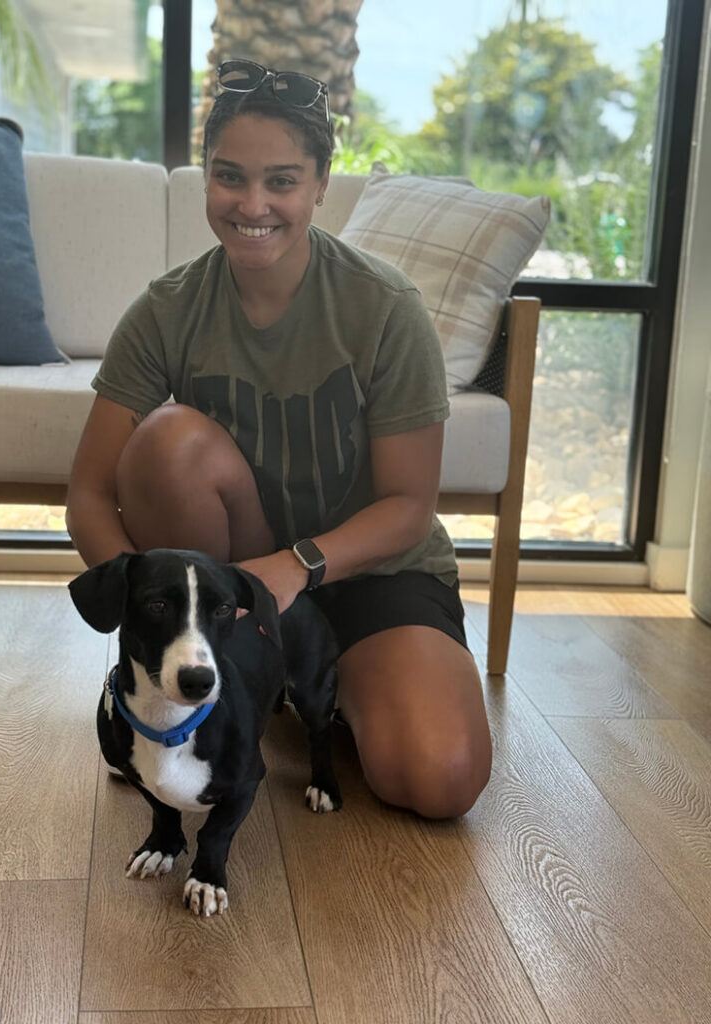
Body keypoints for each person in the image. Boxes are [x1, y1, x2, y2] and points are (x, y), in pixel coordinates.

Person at [66, 58, 492, 819]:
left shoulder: (386, 308)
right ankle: (239, 667)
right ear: (205, 176)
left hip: (370, 572)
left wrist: (298, 567)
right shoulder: (166, 311)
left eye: (282, 181)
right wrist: (151, 622)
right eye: (229, 176)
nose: (252, 204)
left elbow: (409, 507)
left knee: (441, 778)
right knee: (168, 442)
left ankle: (312, 689)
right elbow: (90, 495)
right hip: (233, 585)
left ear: (322, 183)